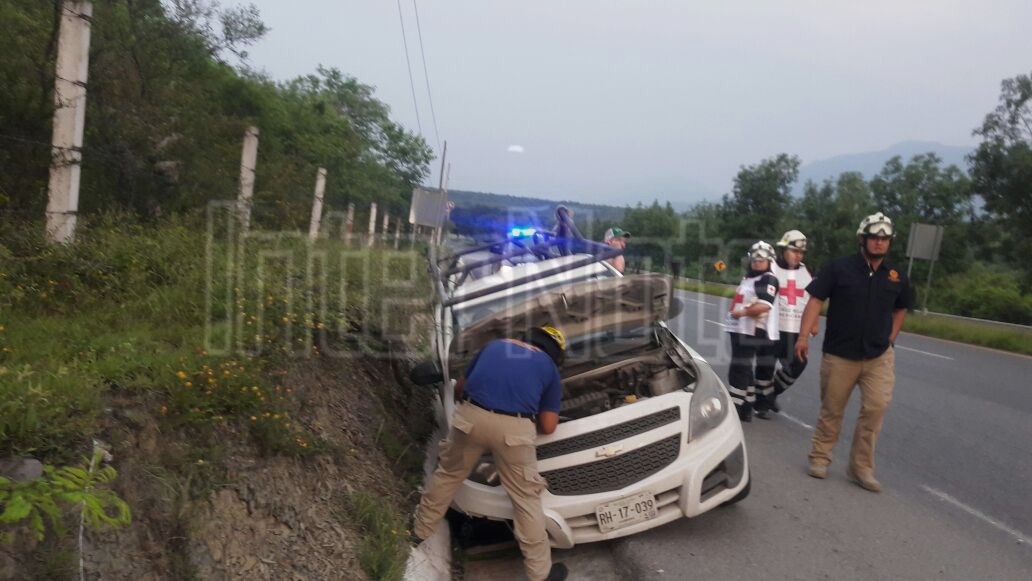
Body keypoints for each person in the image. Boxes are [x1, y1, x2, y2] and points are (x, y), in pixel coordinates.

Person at [411, 326, 569, 581]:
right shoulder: (548, 367)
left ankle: (418, 531)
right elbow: (549, 426)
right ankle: (540, 574)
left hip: (471, 419)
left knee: (448, 474)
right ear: (555, 353)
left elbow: (461, 389)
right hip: (513, 432)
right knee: (525, 499)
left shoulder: (494, 346)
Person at [794, 212, 914, 493]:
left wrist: (891, 339)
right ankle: (820, 457)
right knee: (832, 409)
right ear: (862, 239)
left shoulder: (896, 275)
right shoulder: (839, 268)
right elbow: (815, 301)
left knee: (876, 408)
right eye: (874, 237)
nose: (879, 242)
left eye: (885, 238)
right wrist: (803, 336)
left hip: (878, 356)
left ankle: (861, 468)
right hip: (840, 355)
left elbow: (901, 308)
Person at [753, 230, 818, 419]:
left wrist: (814, 322)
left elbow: (814, 298)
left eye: (801, 252)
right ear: (783, 250)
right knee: (765, 367)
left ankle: (771, 394)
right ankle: (761, 405)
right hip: (771, 328)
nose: (798, 255)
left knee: (798, 364)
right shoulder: (770, 268)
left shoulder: (807, 271)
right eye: (794, 251)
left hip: (796, 330)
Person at [725, 241, 780, 422]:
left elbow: (765, 305)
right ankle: (746, 408)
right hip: (739, 328)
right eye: (754, 260)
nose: (757, 263)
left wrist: (742, 313)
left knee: (738, 369)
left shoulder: (768, 279)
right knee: (745, 369)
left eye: (761, 260)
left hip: (751, 330)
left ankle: (734, 408)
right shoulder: (750, 278)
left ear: (770, 261)